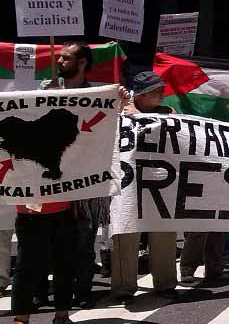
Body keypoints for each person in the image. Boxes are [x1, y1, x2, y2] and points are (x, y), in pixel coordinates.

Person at [14, 42, 129, 324]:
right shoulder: (44, 89)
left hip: (80, 191)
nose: (59, 61)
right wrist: (46, 98)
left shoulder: (96, 94)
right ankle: (35, 300)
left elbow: (107, 128)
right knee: (34, 255)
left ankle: (75, 298)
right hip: (41, 191)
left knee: (75, 249)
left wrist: (121, 101)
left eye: (65, 58)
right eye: (60, 57)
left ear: (82, 62)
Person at [112, 72, 179, 304]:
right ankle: (123, 287)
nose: (162, 94)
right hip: (128, 182)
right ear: (140, 94)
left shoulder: (168, 112)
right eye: (156, 91)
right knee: (126, 233)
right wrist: (121, 106)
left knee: (164, 234)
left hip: (160, 181)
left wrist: (139, 116)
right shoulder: (120, 111)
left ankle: (166, 282)